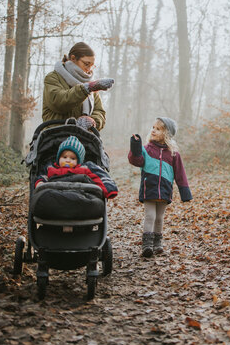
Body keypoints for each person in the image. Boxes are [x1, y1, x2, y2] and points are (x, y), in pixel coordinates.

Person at [128, 117, 192, 257]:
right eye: (153, 127)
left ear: (167, 134)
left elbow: (180, 173)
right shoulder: (146, 149)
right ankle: (147, 245)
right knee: (150, 215)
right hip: (149, 187)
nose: (154, 130)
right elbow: (136, 161)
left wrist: (184, 191)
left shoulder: (173, 153)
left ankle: (157, 244)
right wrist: (135, 147)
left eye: (158, 129)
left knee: (159, 217)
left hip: (165, 189)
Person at [42, 42, 114, 131]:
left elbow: (99, 112)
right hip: (55, 135)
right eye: (86, 64)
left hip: (83, 136)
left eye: (92, 66)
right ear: (73, 58)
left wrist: (93, 121)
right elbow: (58, 102)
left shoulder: (91, 84)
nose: (89, 70)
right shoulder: (53, 78)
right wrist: (86, 89)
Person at [36, 135, 118, 199]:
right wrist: (40, 183)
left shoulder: (85, 167)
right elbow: (42, 176)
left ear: (79, 161)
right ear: (58, 158)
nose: (68, 160)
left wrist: (109, 189)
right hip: (54, 195)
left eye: (72, 158)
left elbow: (100, 176)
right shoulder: (51, 167)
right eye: (64, 157)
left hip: (80, 195)